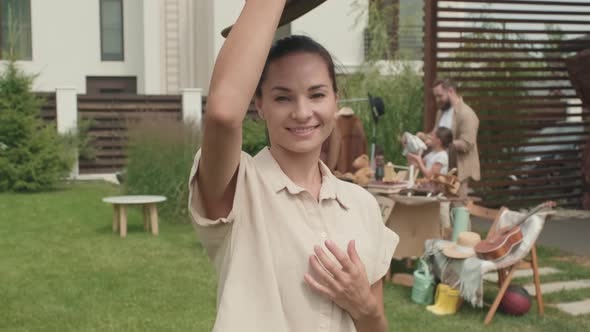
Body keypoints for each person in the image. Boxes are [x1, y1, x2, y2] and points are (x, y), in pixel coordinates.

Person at [188, 1, 399, 331]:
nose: (302, 112)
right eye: (283, 97)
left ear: (335, 99)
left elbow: (375, 326)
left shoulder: (362, 206)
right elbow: (223, 114)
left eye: (316, 95)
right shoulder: (239, 188)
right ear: (259, 105)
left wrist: (365, 307)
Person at [430, 78, 480, 202]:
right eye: (435, 96)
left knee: (458, 210)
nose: (437, 100)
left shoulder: (467, 114)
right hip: (442, 172)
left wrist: (446, 143)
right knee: (442, 211)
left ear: (451, 91)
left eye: (439, 96)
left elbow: (468, 143)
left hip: (459, 172)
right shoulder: (441, 112)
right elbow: (435, 135)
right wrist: (422, 138)